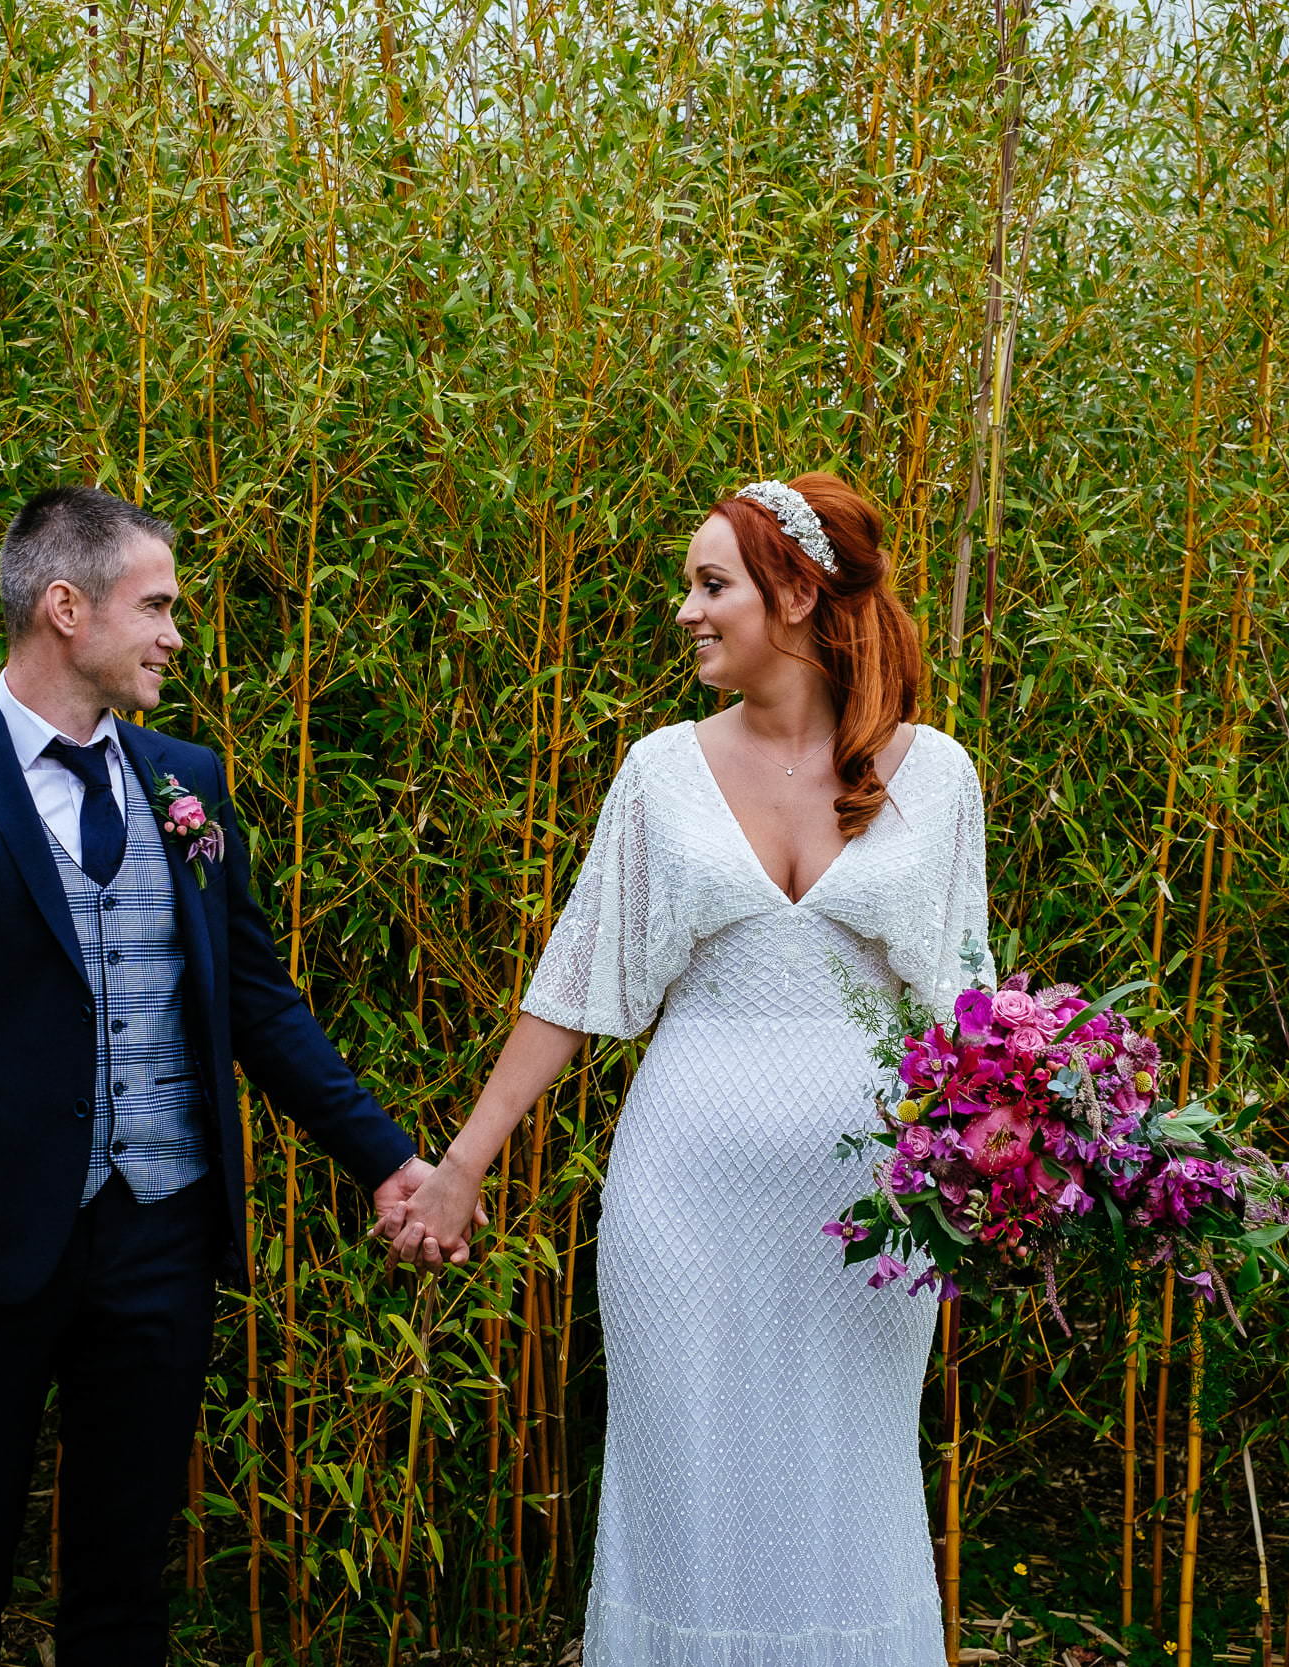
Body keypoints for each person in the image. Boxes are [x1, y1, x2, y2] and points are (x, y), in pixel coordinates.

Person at [0, 486, 446, 1666]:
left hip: (161, 1240)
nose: (174, 634)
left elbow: (256, 1003)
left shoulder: (186, 778)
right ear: (65, 607)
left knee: (123, 1590)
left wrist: (391, 1160)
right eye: (155, 606)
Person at [387, 474, 996, 1667]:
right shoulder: (659, 770)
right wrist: (461, 1164)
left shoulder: (937, 776)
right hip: (682, 1204)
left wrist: (1021, 1164)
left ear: (797, 592)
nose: (686, 611)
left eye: (712, 584)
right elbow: (574, 984)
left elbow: (971, 1012)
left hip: (875, 1213)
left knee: (849, 1486)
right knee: (685, 1487)